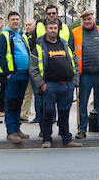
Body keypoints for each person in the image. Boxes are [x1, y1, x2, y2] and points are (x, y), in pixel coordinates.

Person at [28, 18, 80, 148]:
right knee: (48, 113)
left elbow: (75, 63)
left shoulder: (65, 45)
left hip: (66, 85)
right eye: (50, 28)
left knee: (64, 113)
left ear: (58, 30)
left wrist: (74, 82)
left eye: (55, 28)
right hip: (49, 86)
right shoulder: (39, 47)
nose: (53, 31)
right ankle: (47, 139)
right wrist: (42, 84)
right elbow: (33, 68)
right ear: (46, 30)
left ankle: (66, 139)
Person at [72, 11, 99, 139]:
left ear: (93, 19)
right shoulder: (75, 32)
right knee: (82, 102)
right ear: (82, 21)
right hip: (84, 74)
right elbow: (70, 51)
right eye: (85, 20)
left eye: (89, 19)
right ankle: (82, 129)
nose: (87, 21)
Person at [0, 11, 33, 144]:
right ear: (8, 21)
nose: (15, 21)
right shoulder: (4, 36)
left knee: (19, 103)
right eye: (13, 19)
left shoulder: (22, 35)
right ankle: (11, 131)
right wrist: (7, 73)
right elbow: (0, 56)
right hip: (13, 76)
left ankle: (17, 129)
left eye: (17, 19)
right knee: (11, 104)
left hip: (24, 75)